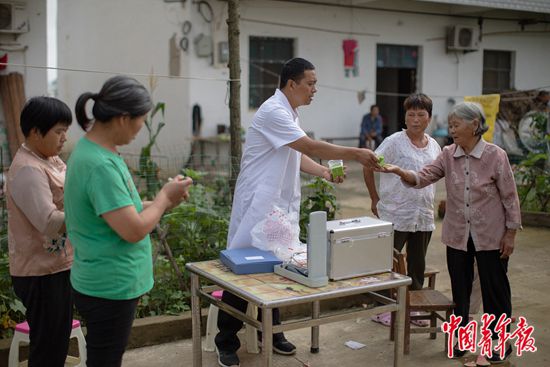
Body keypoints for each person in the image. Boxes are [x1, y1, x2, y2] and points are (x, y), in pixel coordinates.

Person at [215, 57, 380, 367]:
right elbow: (309, 146)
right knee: (244, 271)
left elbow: (298, 154)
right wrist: (356, 153)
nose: (314, 89)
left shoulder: (289, 113)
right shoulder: (274, 111)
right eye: (311, 83)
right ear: (291, 84)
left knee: (279, 266)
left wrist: (325, 173)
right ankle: (226, 340)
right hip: (258, 206)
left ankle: (271, 332)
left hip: (277, 207)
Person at [65, 75, 192, 367]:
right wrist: (162, 198)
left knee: (105, 357)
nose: (140, 130)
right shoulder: (100, 165)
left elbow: (121, 211)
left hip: (102, 280)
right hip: (109, 285)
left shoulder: (94, 152)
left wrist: (166, 201)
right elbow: (133, 229)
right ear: (123, 118)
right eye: (140, 122)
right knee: (105, 360)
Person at [381, 101, 521, 362]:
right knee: (460, 292)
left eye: (456, 125)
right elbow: (423, 176)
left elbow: (510, 197)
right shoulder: (448, 154)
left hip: (491, 236)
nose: (451, 129)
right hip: (458, 236)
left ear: (475, 125)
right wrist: (400, 171)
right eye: (451, 124)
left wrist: (511, 233)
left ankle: (499, 344)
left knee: (495, 291)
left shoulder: (495, 155)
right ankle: (462, 342)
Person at [363, 93, 441, 327]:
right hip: (395, 214)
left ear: (429, 118)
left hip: (423, 215)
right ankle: (381, 309)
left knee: (417, 265)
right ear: (404, 117)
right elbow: (369, 165)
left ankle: (414, 308)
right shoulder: (394, 142)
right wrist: (374, 197)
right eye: (411, 114)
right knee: (387, 263)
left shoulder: (435, 145)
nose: (415, 119)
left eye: (421, 114)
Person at [6, 96, 73, 367]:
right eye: (58, 131)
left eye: (65, 131)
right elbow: (48, 221)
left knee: (56, 341)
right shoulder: (28, 170)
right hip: (40, 272)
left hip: (56, 265)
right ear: (35, 131)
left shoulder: (49, 160)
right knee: (48, 348)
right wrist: (88, 216)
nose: (64, 138)